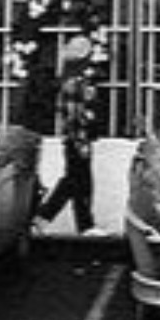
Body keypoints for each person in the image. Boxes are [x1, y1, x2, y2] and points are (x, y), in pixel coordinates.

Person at [35, 36, 105, 237]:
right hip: (77, 140)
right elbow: (76, 115)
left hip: (75, 139)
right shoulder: (76, 82)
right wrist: (81, 141)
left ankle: (52, 219)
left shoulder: (72, 80)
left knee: (75, 182)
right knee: (77, 182)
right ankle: (82, 224)